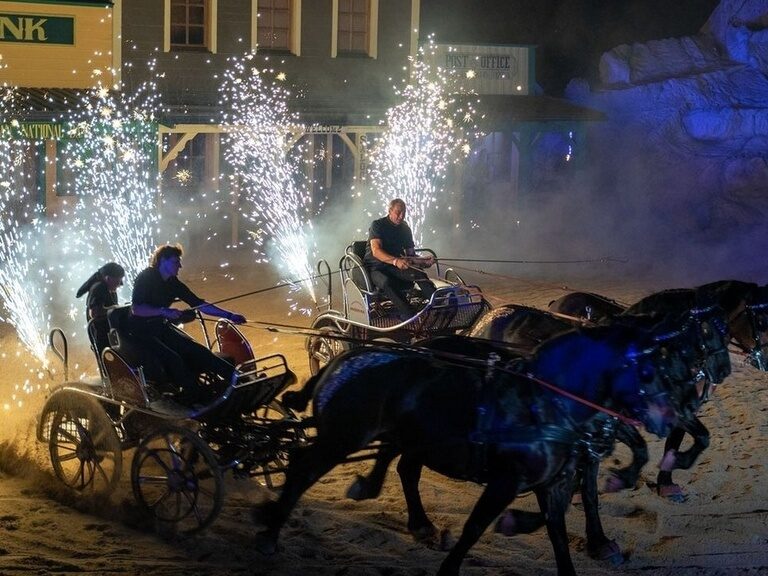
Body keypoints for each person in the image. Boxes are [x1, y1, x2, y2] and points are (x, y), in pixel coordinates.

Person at [129, 243, 247, 404]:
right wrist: (164, 311)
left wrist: (229, 315)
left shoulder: (172, 283)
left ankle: (240, 381)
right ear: (163, 260)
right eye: (176, 261)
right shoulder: (146, 277)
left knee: (200, 352)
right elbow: (137, 309)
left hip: (160, 328)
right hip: (141, 333)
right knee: (174, 359)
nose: (180, 265)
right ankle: (192, 395)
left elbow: (198, 303)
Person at [363, 198, 435, 319]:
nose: (401, 216)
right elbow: (376, 251)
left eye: (404, 213)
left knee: (418, 273)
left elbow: (411, 255)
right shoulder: (377, 225)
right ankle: (407, 313)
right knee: (386, 282)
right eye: (398, 212)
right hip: (376, 267)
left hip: (395, 266)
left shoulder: (405, 229)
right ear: (390, 210)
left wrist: (423, 262)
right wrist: (396, 261)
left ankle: (438, 304)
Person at [76, 261, 125, 355]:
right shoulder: (99, 288)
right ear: (108, 278)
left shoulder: (109, 288)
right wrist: (114, 309)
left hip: (108, 332)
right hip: (100, 334)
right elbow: (94, 313)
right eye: (118, 281)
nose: (120, 284)